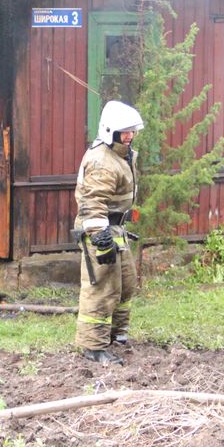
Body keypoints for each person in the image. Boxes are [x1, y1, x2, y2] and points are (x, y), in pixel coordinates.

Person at [73, 100, 144, 365]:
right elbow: (92, 203)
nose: (130, 136)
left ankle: (117, 334)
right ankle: (93, 347)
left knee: (125, 284)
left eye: (132, 131)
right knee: (102, 287)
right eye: (125, 132)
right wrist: (100, 240)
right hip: (99, 229)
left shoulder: (121, 153)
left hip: (116, 227)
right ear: (109, 130)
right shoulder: (102, 161)